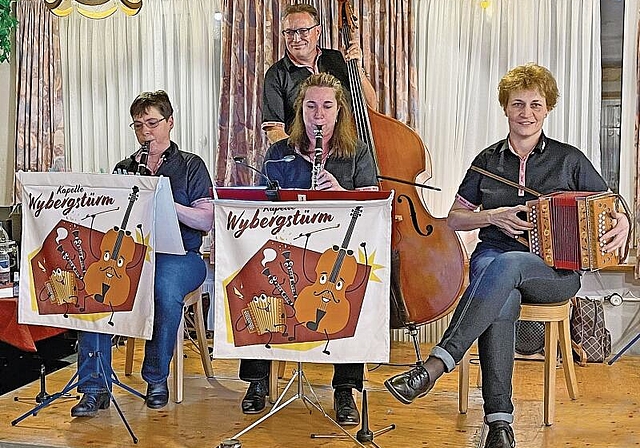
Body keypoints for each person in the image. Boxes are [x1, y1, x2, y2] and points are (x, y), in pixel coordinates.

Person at [383, 63, 630, 448]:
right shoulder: (486, 161)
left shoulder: (570, 159)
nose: (526, 113)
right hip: (493, 260)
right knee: (502, 286)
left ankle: (436, 364)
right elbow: (455, 219)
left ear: (547, 109)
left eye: (535, 104)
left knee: (507, 265)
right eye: (518, 104)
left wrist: (626, 224)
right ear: (506, 108)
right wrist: (492, 216)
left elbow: (612, 206)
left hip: (554, 271)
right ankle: (500, 425)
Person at [238, 73, 379, 425]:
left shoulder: (358, 152)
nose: (318, 115)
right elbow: (259, 204)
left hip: (336, 255)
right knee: (258, 284)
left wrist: (339, 193)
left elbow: (374, 204)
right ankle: (257, 382)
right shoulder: (279, 152)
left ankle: (345, 389)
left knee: (356, 292)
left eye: (327, 106)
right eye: (311, 106)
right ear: (300, 110)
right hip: (288, 252)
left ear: (339, 111)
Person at [71, 90, 214, 417]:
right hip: (133, 255)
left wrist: (164, 202)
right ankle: (95, 387)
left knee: (163, 288)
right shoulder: (125, 167)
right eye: (138, 126)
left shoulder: (191, 165)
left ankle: (156, 378)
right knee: (94, 285)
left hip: (182, 256)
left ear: (170, 123)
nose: (145, 132)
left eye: (152, 123)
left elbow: (206, 219)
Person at [262, 3, 377, 145]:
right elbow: (274, 131)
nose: (296, 39)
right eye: (290, 32)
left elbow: (371, 105)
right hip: (306, 157)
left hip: (350, 148)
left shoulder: (338, 59)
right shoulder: (276, 75)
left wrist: (358, 69)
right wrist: (301, 158)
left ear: (317, 32)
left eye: (303, 31)